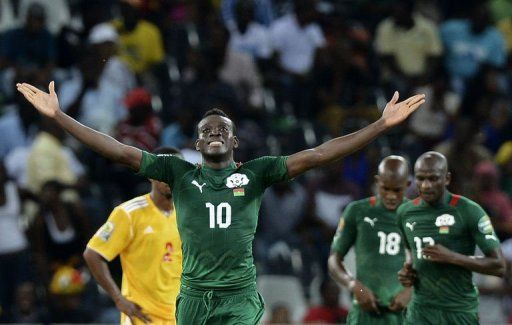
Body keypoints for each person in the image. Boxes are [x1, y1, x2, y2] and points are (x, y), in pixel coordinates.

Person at [16, 80, 424, 324]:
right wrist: (59, 117)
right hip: (193, 294)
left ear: (234, 141)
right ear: (197, 143)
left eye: (222, 129)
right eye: (206, 129)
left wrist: (380, 125)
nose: (214, 131)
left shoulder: (258, 172)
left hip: (238, 293)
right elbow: (118, 151)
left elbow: (319, 154)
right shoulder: (178, 173)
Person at [397, 151, 506, 324]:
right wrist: (407, 271)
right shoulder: (404, 213)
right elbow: (410, 255)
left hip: (458, 311)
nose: (425, 185)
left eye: (433, 179)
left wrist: (452, 257)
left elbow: (499, 266)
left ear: (447, 178)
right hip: (420, 312)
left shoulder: (469, 210)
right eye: (420, 178)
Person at [83, 147, 183, 325]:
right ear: (151, 173)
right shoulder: (128, 214)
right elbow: (93, 254)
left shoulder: (190, 214)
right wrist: (118, 298)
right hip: (142, 317)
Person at [328, 156, 412, 324]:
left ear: (408, 185)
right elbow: (334, 260)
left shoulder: (419, 216)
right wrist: (354, 286)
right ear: (377, 181)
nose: (391, 196)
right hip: (364, 314)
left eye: (397, 190)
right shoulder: (357, 211)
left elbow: (431, 268)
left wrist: (411, 291)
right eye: (385, 188)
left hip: (404, 315)